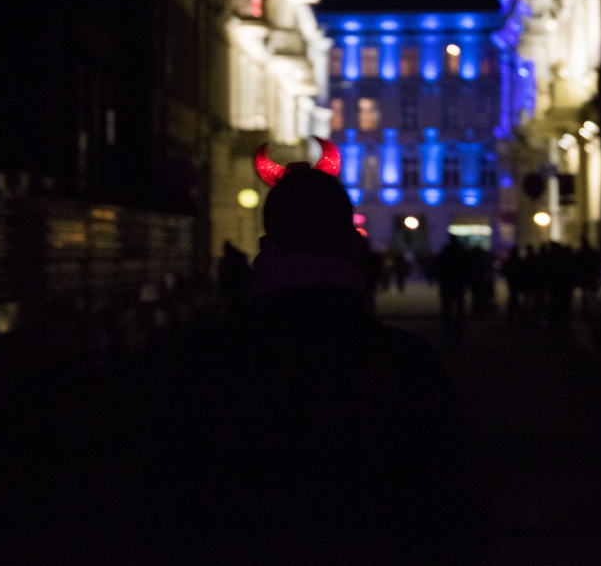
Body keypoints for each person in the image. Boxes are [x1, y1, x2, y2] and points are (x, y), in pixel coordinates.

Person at [135, 156, 489, 565]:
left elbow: (165, 510)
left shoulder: (203, 361)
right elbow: (458, 515)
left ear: (265, 247)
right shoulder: (407, 365)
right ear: (354, 248)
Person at [432, 233, 470, 344]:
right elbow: (466, 268)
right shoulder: (461, 251)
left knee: (447, 309)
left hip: (447, 284)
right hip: (458, 284)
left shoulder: (445, 251)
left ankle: (446, 333)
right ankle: (458, 334)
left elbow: (438, 266)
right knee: (459, 309)